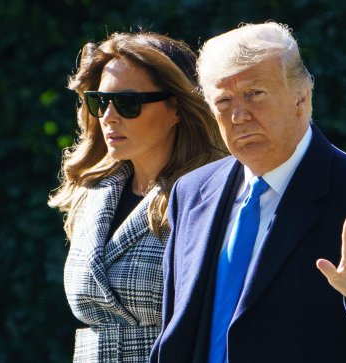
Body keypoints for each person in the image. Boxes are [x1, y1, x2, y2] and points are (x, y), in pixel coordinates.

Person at [150, 22, 346, 363]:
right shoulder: (192, 192)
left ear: (301, 99)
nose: (238, 115)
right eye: (223, 101)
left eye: (256, 93)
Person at [48, 31, 226, 362]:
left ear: (176, 108)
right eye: (99, 101)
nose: (108, 116)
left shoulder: (213, 197)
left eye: (128, 103)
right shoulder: (91, 196)